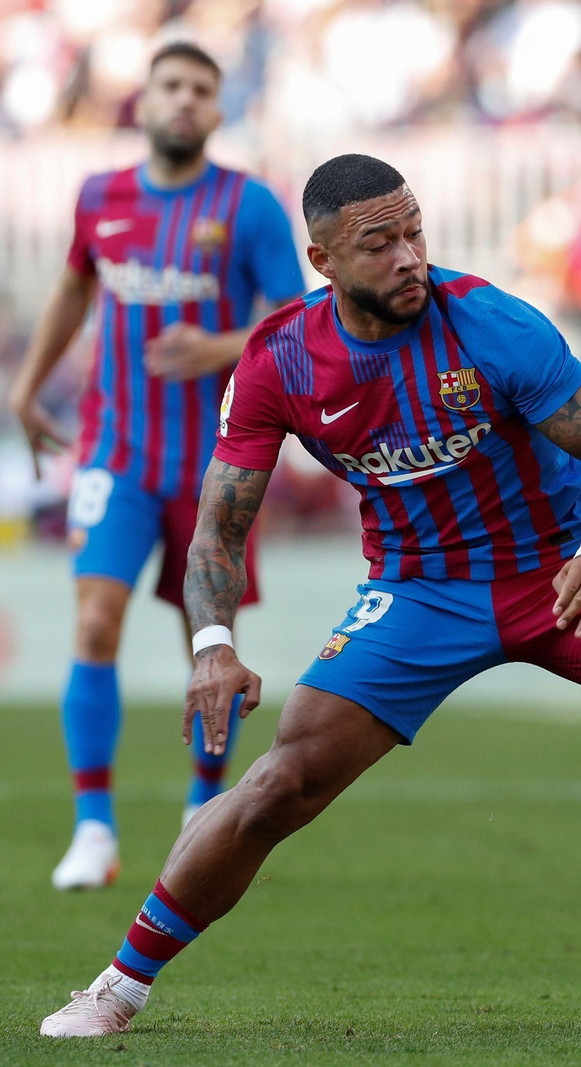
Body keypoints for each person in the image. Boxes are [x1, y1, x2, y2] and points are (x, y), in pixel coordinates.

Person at [38, 153, 581, 1039]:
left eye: (414, 232)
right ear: (323, 263)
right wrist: (212, 646)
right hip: (418, 592)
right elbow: (218, 528)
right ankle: (117, 987)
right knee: (278, 781)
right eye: (379, 243)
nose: (409, 257)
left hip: (560, 571)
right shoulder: (280, 359)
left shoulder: (487, 322)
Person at [6, 42, 305, 890]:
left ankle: (203, 804)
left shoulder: (247, 207)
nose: (184, 100)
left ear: (217, 110)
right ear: (144, 101)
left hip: (219, 460)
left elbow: (300, 316)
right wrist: (29, 389)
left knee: (205, 639)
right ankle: (93, 829)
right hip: (116, 451)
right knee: (94, 620)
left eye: (201, 90)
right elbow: (73, 285)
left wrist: (216, 344)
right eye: (170, 85)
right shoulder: (99, 197)